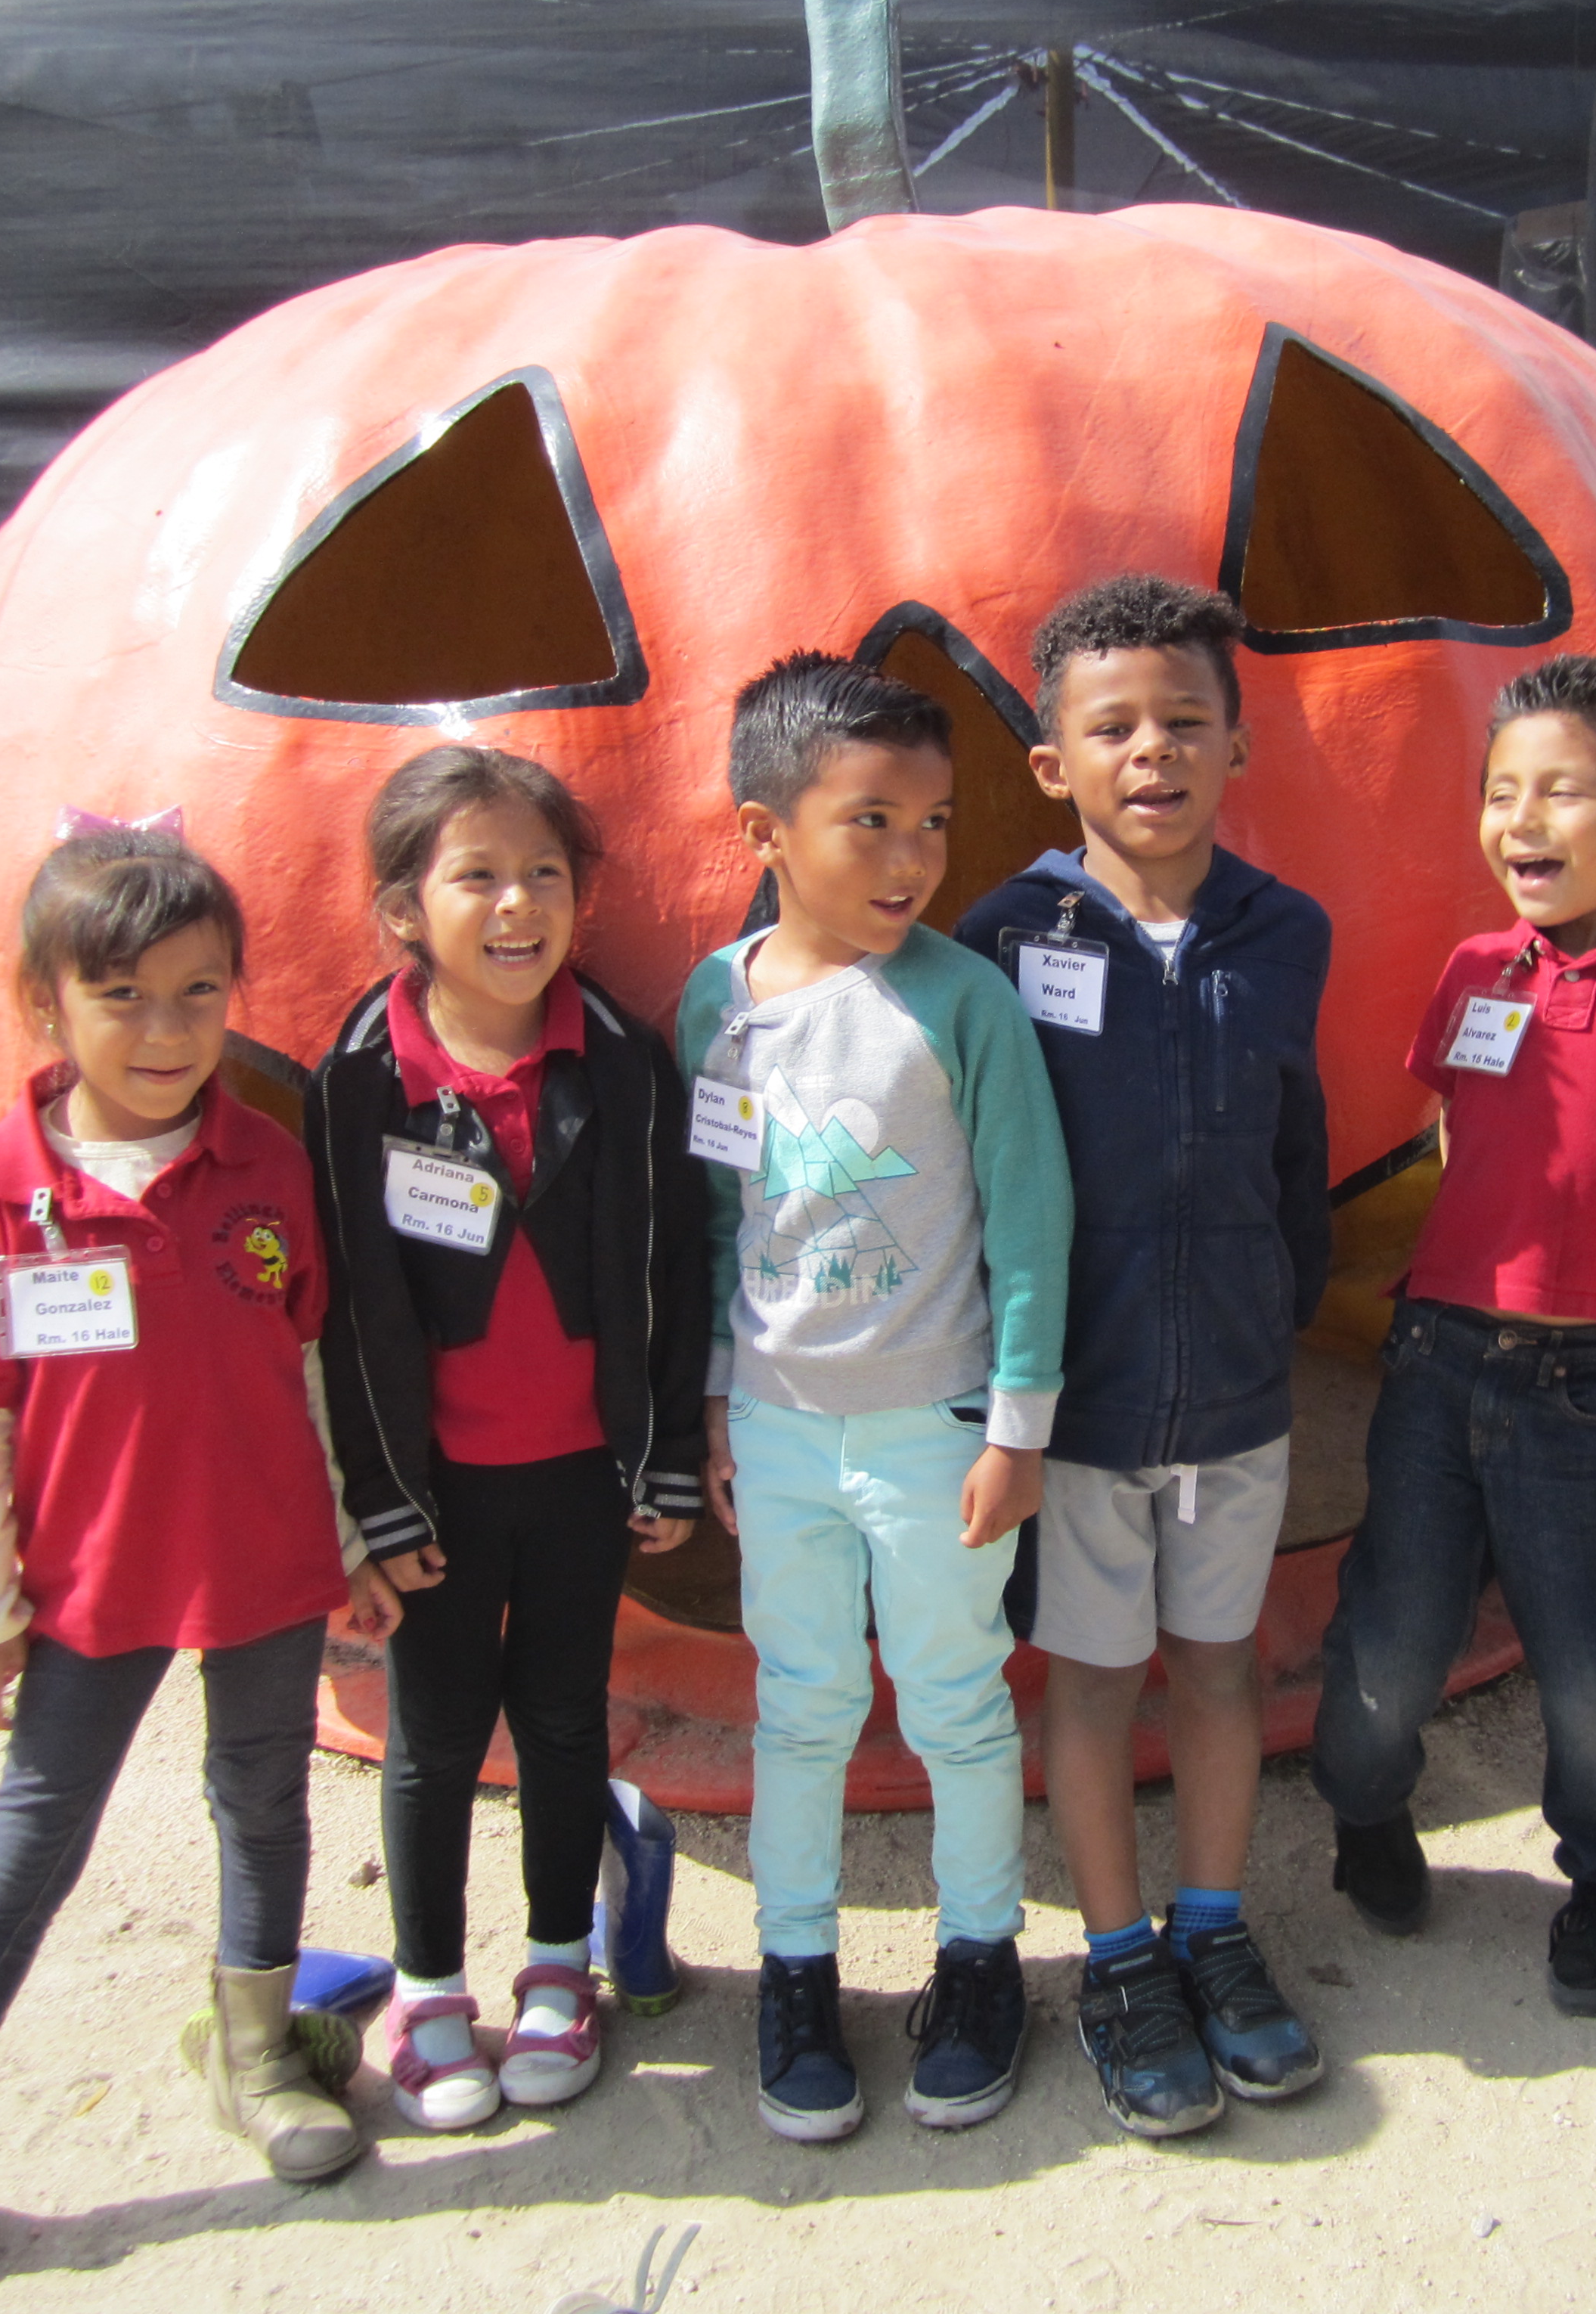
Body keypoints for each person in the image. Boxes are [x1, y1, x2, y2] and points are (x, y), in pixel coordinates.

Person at [0, 827, 401, 2314]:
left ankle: (257, 2055)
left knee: (261, 1799)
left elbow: (310, 1369)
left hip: (262, 1558)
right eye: (121, 995)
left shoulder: (266, 1165)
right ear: (44, 1004)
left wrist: (345, 1541)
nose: (164, 1030)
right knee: (36, 1836)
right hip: (91, 1583)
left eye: (198, 993)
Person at [1310, 656, 1596, 2018]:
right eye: (1500, 790)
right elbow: (1460, 1142)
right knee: (1392, 1635)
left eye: (1560, 792)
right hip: (1441, 1361)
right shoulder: (1473, 972)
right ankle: (1366, 1814)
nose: (1519, 819)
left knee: (1592, 1659)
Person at [677, 653, 1074, 2144]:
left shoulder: (964, 1003)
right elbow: (718, 1220)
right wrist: (719, 1398)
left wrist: (1019, 1428)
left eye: (934, 822)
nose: (914, 857)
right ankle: (796, 1974)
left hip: (937, 1429)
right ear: (764, 832)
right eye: (872, 823)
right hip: (779, 1428)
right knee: (802, 1707)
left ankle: (979, 1963)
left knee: (958, 1702)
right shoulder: (716, 1003)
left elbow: (1032, 1219)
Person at [954, 575, 1331, 2137]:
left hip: (1236, 1396)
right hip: (1083, 1409)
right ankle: (1118, 1957)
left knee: (1221, 1668)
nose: (1153, 751)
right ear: (1054, 765)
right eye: (1113, 728)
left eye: (1186, 721)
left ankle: (1215, 1927)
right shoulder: (1001, 938)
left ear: (1240, 745)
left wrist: (1279, 1303)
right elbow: (980, 1174)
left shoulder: (1287, 932)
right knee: (1097, 1682)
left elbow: (1298, 1149)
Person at [306, 744, 711, 2131]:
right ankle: (429, 1989)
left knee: (560, 1717)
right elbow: (348, 1308)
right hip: (439, 1492)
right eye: (476, 875)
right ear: (404, 910)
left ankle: (554, 1967)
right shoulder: (362, 1078)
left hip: (581, 1477)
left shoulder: (624, 1063)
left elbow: (672, 1266)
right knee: (433, 1734)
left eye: (544, 872)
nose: (518, 902)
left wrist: (662, 1451)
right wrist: (381, 1501)